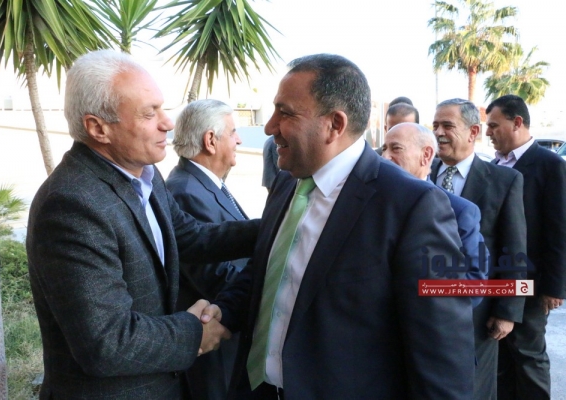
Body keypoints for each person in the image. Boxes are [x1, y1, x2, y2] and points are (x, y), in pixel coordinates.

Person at [215, 54, 475, 399]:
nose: (269, 127)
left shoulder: (412, 206)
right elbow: (269, 273)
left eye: (285, 113)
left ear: (334, 124)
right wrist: (221, 312)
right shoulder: (287, 182)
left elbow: (443, 353)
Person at [26, 50, 259, 400]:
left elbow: (190, 237)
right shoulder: (71, 204)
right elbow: (107, 341)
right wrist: (196, 333)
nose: (168, 123)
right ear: (98, 128)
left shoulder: (144, 175)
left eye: (162, 108)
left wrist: (275, 225)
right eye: (149, 113)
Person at [430, 98, 527, 400]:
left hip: (477, 312)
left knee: (476, 387)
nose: (439, 133)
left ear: (473, 132)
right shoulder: (421, 172)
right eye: (435, 125)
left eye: (448, 126)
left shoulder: (504, 180)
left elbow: (514, 248)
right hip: (426, 306)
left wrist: (507, 311)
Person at [165, 99, 249, 400]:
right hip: (212, 344)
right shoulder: (186, 190)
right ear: (210, 140)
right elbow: (212, 273)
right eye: (233, 132)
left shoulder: (203, 183)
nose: (239, 139)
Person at [485, 95, 566, 399]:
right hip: (498, 279)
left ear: (517, 122)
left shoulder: (550, 165)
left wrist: (555, 287)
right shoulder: (494, 166)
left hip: (531, 281)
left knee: (528, 354)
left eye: (494, 125)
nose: (488, 132)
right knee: (501, 357)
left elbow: (559, 229)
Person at [382, 122, 488, 306]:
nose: (385, 157)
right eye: (384, 149)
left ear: (426, 155)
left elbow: (473, 284)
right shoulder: (368, 201)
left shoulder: (459, 211)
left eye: (396, 149)